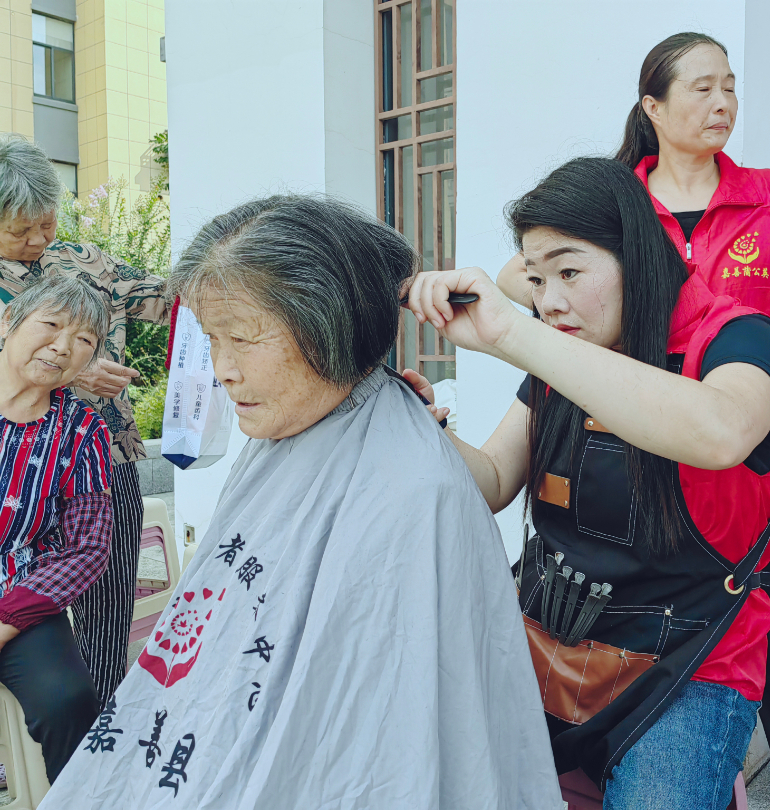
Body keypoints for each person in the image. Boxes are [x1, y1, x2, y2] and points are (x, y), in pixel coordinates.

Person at [39, 195, 562, 810]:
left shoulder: (414, 494)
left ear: (330, 327)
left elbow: (376, 751)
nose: (223, 370)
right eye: (212, 339)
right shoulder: (288, 430)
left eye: (242, 339)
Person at [497, 34, 770, 810]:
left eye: (730, 87)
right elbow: (527, 275)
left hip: (738, 449)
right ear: (652, 106)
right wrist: (557, 301)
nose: (723, 104)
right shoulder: (618, 199)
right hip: (617, 452)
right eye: (703, 88)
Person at [406, 157, 770, 809]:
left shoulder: (740, 340)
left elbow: (722, 430)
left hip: (688, 664)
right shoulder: (564, 353)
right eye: (536, 279)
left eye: (569, 272)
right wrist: (426, 431)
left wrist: (514, 333)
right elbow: (495, 479)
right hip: (551, 642)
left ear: (637, 256)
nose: (550, 301)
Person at [0, 133, 172, 708]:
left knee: (106, 600)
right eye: (19, 230)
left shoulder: (83, 261)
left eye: (45, 223)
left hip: (100, 460)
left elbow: (168, 299)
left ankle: (97, 727)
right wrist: (71, 374)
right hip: (12, 468)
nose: (37, 240)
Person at [0, 276, 113, 782]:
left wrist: (7, 619)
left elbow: (88, 548)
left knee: (69, 701)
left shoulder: (83, 429)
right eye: (50, 324)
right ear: (9, 321)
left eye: (84, 339)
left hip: (20, 596)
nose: (63, 346)